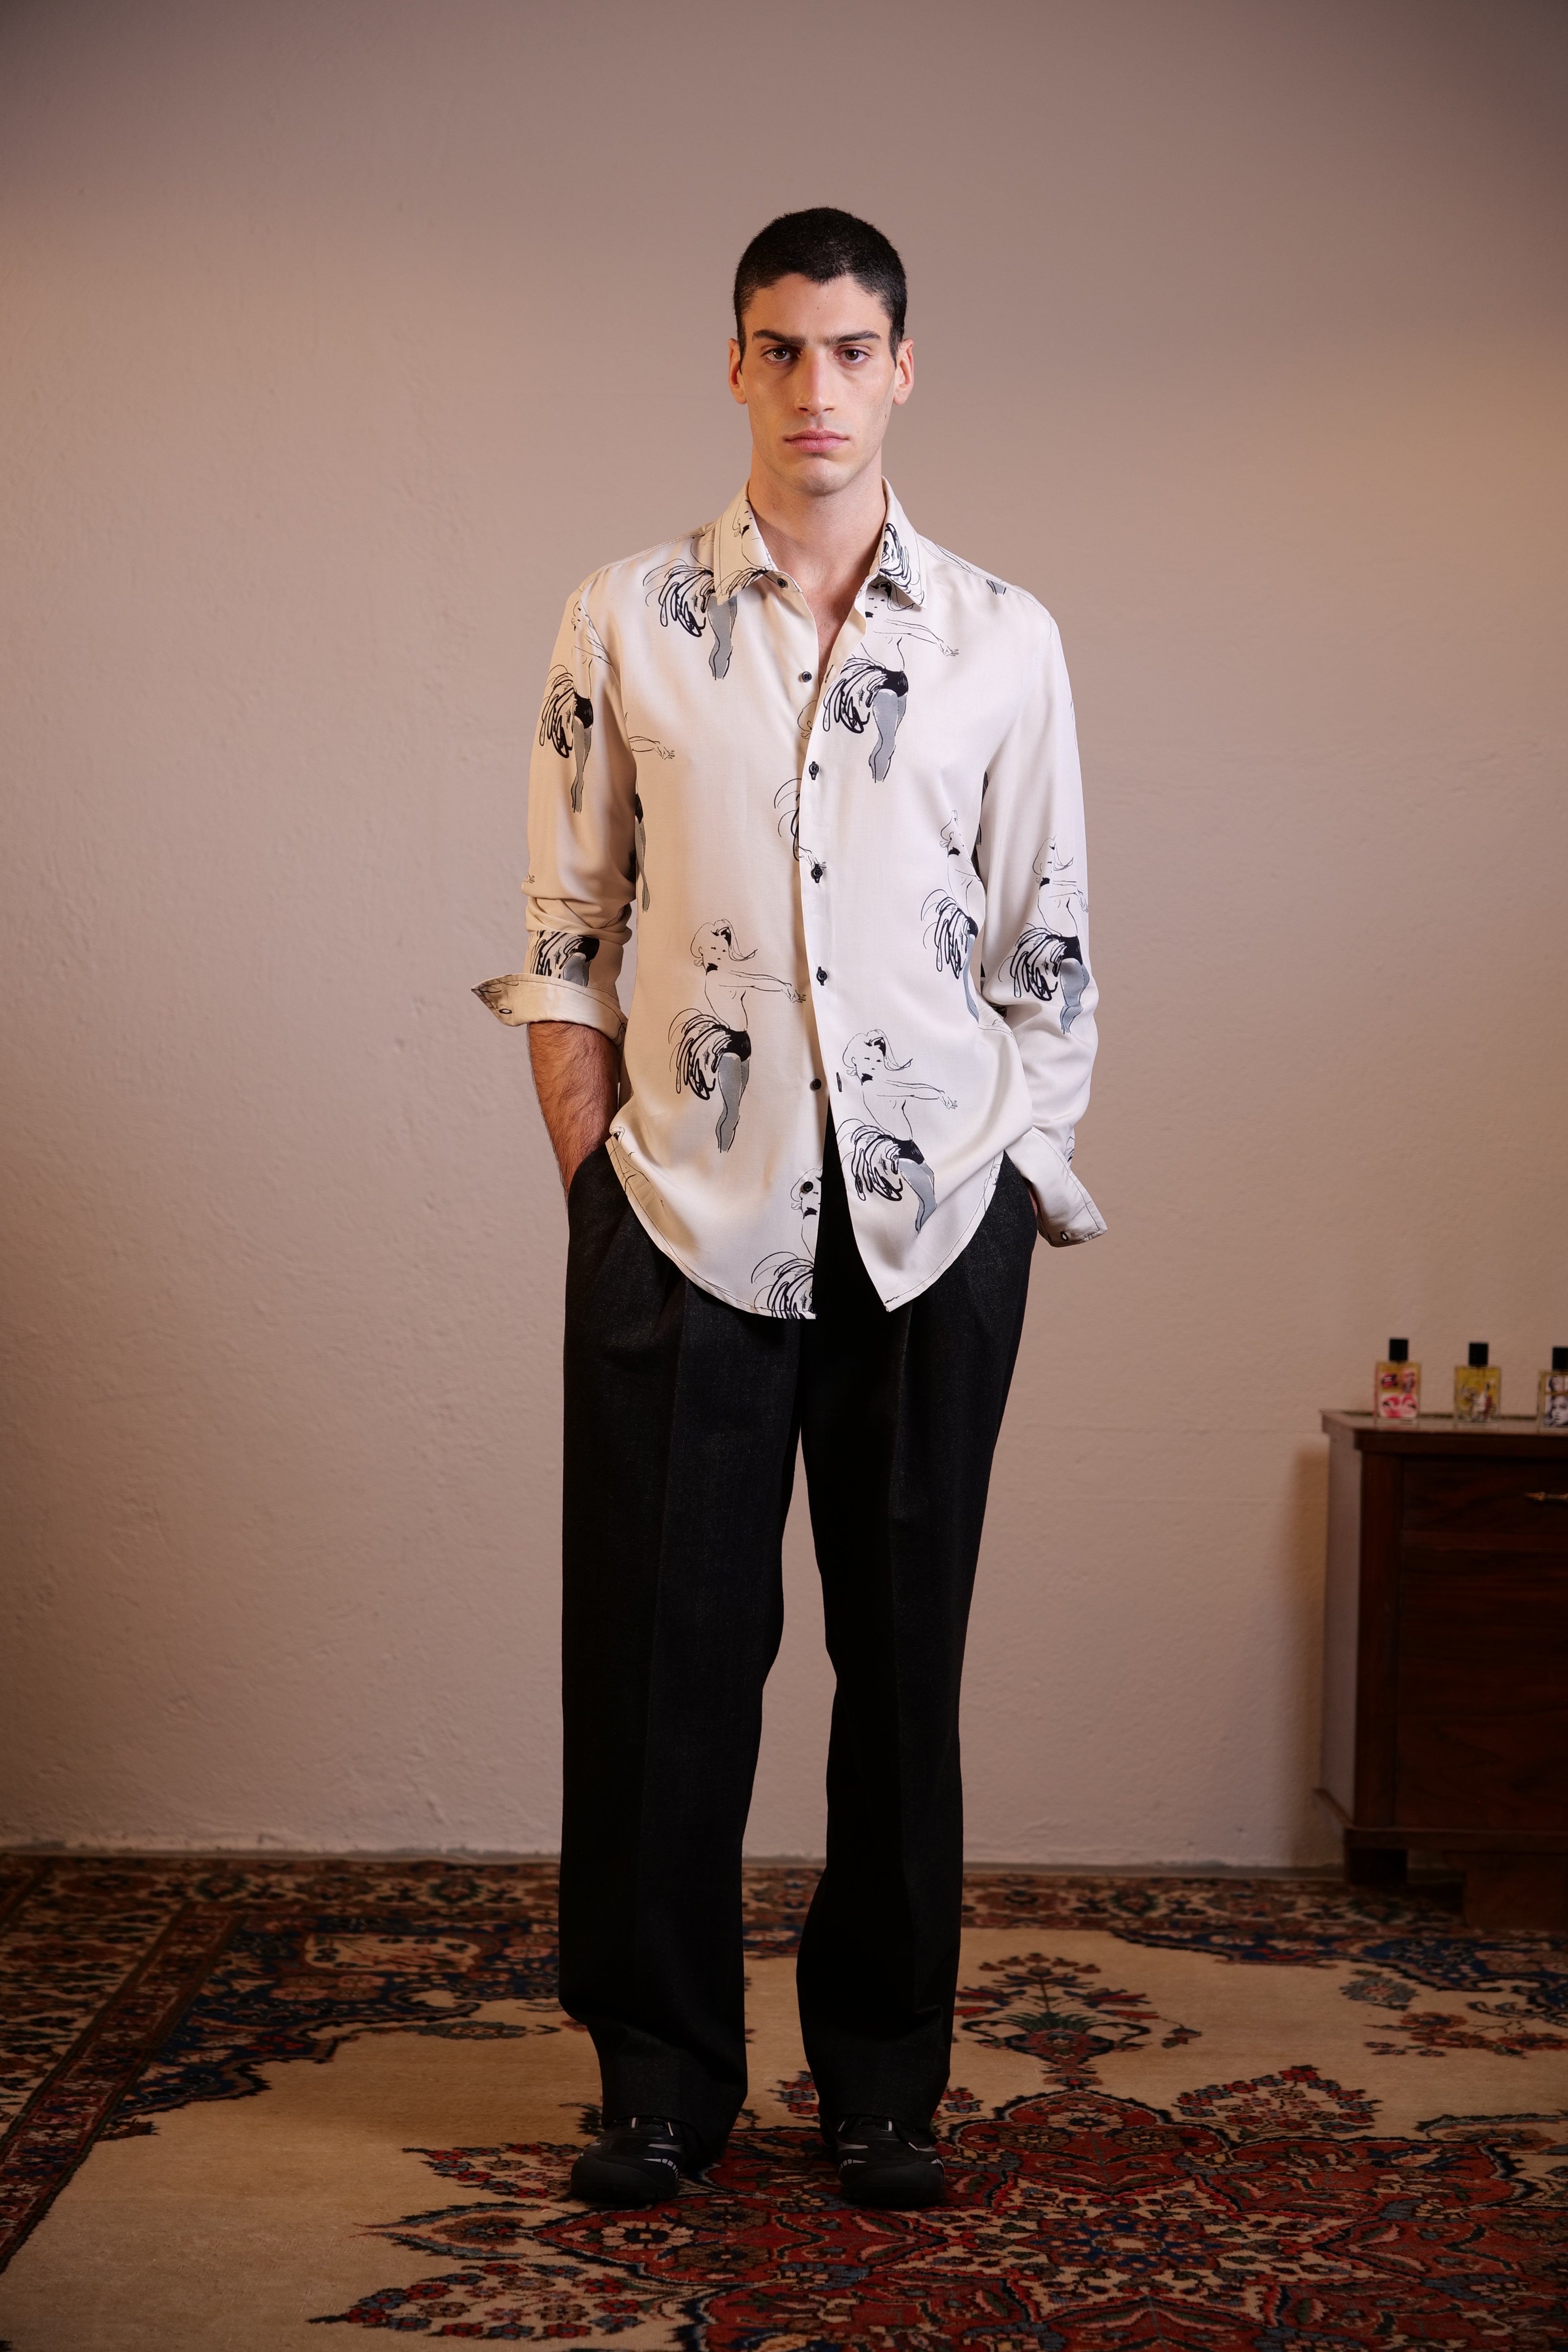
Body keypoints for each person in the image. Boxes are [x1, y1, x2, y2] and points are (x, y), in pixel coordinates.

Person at [475, 207, 1105, 2213]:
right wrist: (600, 1185)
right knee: (659, 1665)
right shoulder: (624, 617)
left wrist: (1010, 1185)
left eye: (850, 350)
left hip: (932, 1235)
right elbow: (565, 930)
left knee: (904, 1670)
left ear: (902, 368)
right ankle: (657, 2082)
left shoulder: (1004, 638)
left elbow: (1048, 950)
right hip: (682, 1217)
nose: (815, 388)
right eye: (779, 349)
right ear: (733, 366)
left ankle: (883, 2085)